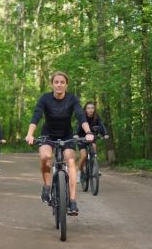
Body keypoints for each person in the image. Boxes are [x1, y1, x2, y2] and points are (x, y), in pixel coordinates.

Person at [24, 71, 94, 216]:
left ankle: (73, 202)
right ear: (52, 84)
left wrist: (88, 133)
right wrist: (30, 134)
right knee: (45, 157)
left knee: (70, 161)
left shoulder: (72, 99)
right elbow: (36, 116)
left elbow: (81, 116)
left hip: (66, 135)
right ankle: (47, 185)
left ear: (66, 85)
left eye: (62, 82)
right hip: (48, 135)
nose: (59, 85)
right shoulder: (45, 98)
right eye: (56, 82)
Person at [75, 101, 109, 183]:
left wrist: (105, 134)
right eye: (88, 108)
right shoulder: (82, 117)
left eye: (92, 108)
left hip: (91, 137)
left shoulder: (96, 117)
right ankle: (79, 173)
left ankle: (94, 168)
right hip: (81, 138)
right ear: (85, 110)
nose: (90, 110)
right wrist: (75, 134)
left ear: (94, 109)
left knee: (93, 147)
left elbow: (101, 125)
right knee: (83, 155)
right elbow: (78, 127)